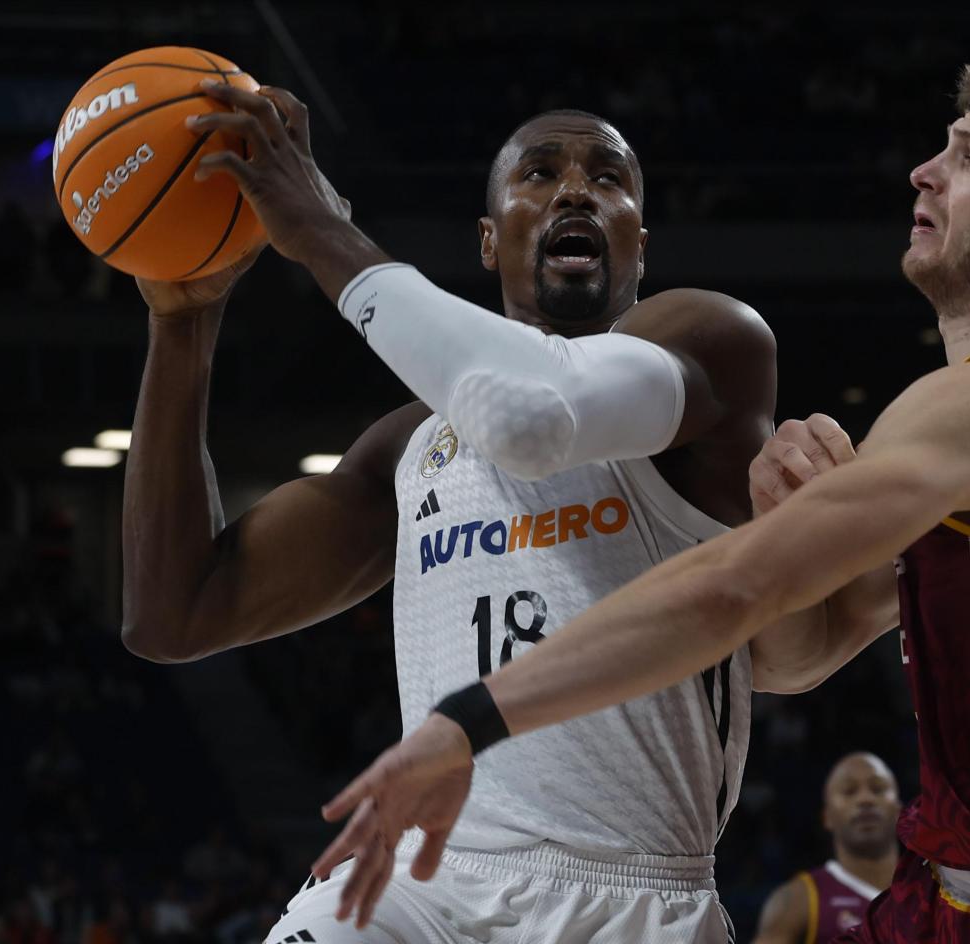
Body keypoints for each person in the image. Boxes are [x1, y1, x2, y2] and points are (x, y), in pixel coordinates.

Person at [315, 55, 970, 944]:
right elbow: (794, 656)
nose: (923, 171)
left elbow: (731, 591)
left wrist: (466, 722)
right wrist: (783, 518)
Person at [123, 81, 783, 943]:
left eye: (608, 179)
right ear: (487, 239)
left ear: (640, 246)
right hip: (423, 881)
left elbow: (535, 416)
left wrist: (320, 228)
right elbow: (175, 612)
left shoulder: (712, 346)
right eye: (539, 173)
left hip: (627, 893)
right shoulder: (409, 448)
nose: (577, 190)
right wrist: (185, 319)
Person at [752, 753, 900, 944]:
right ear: (827, 817)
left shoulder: (937, 890)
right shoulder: (798, 900)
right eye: (849, 791)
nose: (865, 799)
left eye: (877, 789)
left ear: (898, 810)